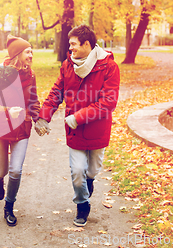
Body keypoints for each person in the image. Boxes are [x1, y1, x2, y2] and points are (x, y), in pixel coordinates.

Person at [35, 24, 120, 227]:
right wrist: (43, 117)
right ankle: (82, 205)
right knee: (77, 172)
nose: (70, 48)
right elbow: (57, 91)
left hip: (97, 129)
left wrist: (79, 117)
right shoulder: (67, 65)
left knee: (91, 170)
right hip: (74, 131)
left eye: (73, 44)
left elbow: (108, 102)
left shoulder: (108, 66)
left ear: (87, 44)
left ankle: (89, 181)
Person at [0, 35, 40, 227]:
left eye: (31, 51)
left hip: (22, 128)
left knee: (15, 170)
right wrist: (7, 111)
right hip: (0, 128)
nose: (31, 55)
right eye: (28, 52)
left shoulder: (30, 74)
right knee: (4, 170)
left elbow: (33, 100)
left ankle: (9, 206)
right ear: (17, 54)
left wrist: (38, 119)